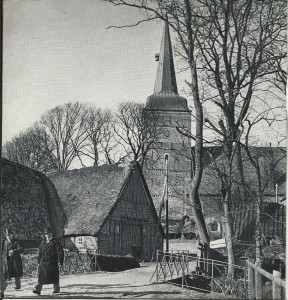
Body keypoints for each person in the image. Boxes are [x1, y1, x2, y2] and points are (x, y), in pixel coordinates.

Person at [33, 229, 64, 295]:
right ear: (45, 235)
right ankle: (38, 289)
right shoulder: (42, 242)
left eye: (49, 234)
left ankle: (56, 288)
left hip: (53, 263)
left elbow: (60, 252)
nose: (48, 236)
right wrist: (38, 262)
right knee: (41, 277)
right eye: (47, 234)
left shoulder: (55, 242)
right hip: (43, 263)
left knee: (54, 276)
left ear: (51, 234)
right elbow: (40, 253)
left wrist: (60, 261)